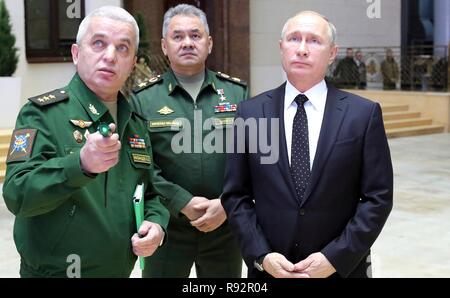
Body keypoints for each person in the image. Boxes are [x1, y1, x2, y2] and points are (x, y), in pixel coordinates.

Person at [222, 11, 393, 278]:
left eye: (314, 41)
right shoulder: (250, 113)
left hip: (341, 270)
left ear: (333, 52)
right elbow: (236, 196)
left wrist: (335, 257)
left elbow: (377, 198)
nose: (302, 49)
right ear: (281, 48)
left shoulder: (363, 115)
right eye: (294, 39)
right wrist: (262, 255)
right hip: (270, 270)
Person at [2, 6, 169, 277]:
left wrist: (156, 223)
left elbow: (150, 191)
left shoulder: (136, 124)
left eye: (123, 48)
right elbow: (17, 195)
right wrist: (79, 164)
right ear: (76, 54)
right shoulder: (42, 114)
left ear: (133, 63)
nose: (110, 56)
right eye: (99, 43)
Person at [131, 4, 248, 277]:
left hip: (224, 227)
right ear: (164, 45)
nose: (187, 43)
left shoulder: (236, 93)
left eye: (195, 36)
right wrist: (180, 201)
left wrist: (226, 203)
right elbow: (139, 165)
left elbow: (250, 159)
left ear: (209, 44)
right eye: (178, 36)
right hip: (167, 226)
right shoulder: (143, 99)